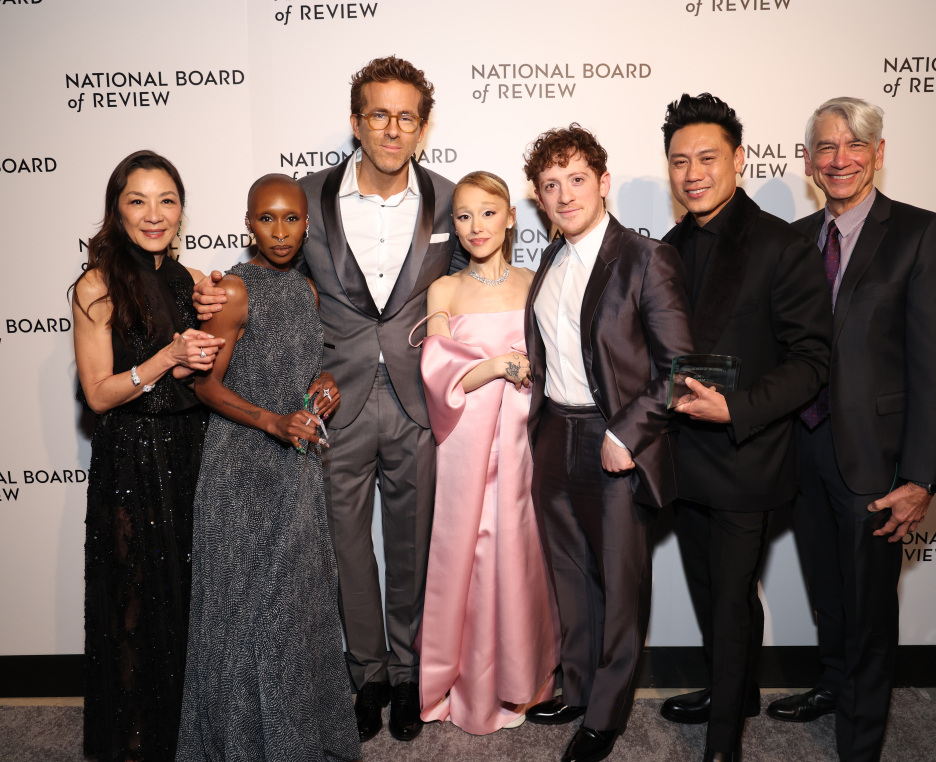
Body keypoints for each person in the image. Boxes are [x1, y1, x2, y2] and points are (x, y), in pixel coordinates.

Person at [192, 57, 466, 743]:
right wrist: (208, 297)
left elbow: (475, 280)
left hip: (414, 399)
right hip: (331, 400)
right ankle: (365, 675)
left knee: (411, 544)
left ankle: (408, 676)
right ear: (355, 121)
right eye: (378, 114)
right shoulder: (306, 199)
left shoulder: (447, 198)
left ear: (423, 127)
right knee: (345, 547)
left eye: (406, 117)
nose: (391, 129)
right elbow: (266, 274)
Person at [765, 98, 936, 762]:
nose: (839, 159)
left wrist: (922, 478)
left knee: (870, 609)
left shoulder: (919, 233)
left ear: (878, 153)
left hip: (876, 461)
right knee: (828, 592)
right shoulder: (792, 240)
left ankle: (861, 742)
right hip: (800, 449)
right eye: (825, 147)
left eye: (854, 146)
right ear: (808, 161)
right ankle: (831, 686)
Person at [657, 93, 832, 762]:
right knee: (711, 592)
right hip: (682, 458)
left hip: (745, 457)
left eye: (707, 158)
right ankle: (733, 691)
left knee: (731, 601)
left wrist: (739, 408)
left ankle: (725, 742)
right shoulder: (668, 247)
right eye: (679, 161)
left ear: (738, 159)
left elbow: (813, 360)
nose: (692, 172)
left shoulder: (781, 246)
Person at [521, 124, 694, 762]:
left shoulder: (644, 257)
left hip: (612, 436)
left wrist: (628, 431)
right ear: (539, 198)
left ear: (603, 182)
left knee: (619, 583)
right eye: (550, 185)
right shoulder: (551, 259)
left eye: (575, 179)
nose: (564, 195)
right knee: (568, 574)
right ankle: (575, 685)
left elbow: (681, 368)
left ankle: (606, 715)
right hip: (552, 435)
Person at [175, 174, 361, 762]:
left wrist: (321, 387)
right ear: (248, 222)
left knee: (296, 610)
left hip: (297, 469)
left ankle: (297, 742)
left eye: (291, 219)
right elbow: (206, 387)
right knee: (247, 614)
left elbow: (301, 373)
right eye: (267, 219)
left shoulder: (306, 291)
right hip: (241, 469)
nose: (279, 232)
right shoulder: (232, 291)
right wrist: (275, 423)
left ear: (307, 224)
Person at [71, 150, 224, 762]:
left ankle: (181, 739)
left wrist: (218, 316)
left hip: (190, 452)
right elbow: (100, 393)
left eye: (167, 200)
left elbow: (207, 369)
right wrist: (166, 357)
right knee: (135, 602)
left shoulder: (186, 280)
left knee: (186, 600)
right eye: (138, 200)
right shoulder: (97, 285)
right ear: (117, 209)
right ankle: (135, 746)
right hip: (132, 458)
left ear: (182, 209)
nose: (154, 214)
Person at [414, 171, 559, 735]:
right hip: (465, 445)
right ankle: (466, 685)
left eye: (489, 213)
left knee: (519, 557)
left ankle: (523, 684)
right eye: (464, 216)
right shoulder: (444, 290)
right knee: (466, 558)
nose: (477, 227)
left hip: (525, 441)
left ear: (511, 217)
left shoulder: (534, 282)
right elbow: (436, 370)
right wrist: (498, 366)